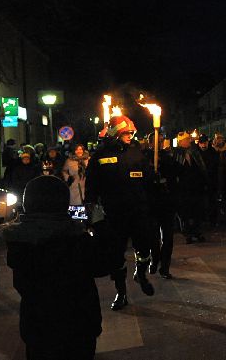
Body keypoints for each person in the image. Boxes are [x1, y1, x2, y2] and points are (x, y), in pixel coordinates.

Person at [4, 175, 108, 359]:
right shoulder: (76, 240)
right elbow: (104, 264)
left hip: (37, 327)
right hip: (79, 325)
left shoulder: (19, 240)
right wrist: (100, 225)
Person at [85, 115, 155, 310]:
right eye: (126, 133)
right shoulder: (99, 156)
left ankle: (141, 275)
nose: (130, 136)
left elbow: (148, 181)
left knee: (144, 248)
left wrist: (156, 179)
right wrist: (88, 215)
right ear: (116, 133)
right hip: (114, 215)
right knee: (116, 256)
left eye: (131, 133)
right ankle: (121, 292)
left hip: (138, 212)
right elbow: (91, 189)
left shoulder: (137, 152)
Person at [146, 132, 178, 279]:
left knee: (168, 237)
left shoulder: (168, 157)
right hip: (152, 203)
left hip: (167, 202)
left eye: (161, 141)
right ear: (150, 143)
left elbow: (176, 174)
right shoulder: (145, 157)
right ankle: (154, 259)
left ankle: (165, 267)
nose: (159, 144)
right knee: (153, 236)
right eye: (156, 141)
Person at [173, 132, 208, 243]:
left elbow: (201, 167)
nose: (189, 141)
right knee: (186, 212)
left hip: (196, 187)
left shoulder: (195, 152)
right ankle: (188, 233)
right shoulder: (176, 154)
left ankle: (197, 232)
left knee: (197, 211)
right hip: (183, 189)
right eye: (186, 139)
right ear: (181, 142)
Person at [198, 134, 221, 227]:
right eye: (202, 143)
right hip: (201, 181)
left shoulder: (213, 152)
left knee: (212, 201)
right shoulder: (197, 153)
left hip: (212, 180)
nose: (204, 145)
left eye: (205, 143)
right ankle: (204, 218)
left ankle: (213, 219)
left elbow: (216, 166)